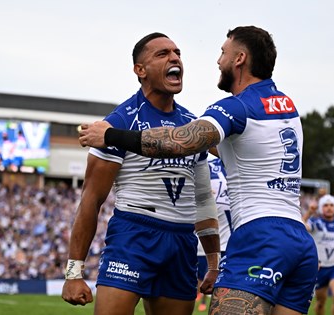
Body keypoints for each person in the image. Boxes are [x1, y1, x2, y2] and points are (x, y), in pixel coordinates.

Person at [78, 25, 319, 315]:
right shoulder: (286, 106)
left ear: (239, 59)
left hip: (260, 236)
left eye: (223, 53)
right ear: (139, 69)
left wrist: (110, 134)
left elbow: (181, 142)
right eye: (165, 53)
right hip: (299, 241)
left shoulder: (236, 107)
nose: (218, 61)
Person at [61, 32, 221, 315]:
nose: (174, 58)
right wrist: (74, 272)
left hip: (182, 243)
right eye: (162, 54)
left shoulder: (191, 127)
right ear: (140, 70)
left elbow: (202, 200)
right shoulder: (120, 121)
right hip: (134, 236)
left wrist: (212, 262)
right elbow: (91, 198)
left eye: (177, 53)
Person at [302, 194, 334, 315]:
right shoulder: (315, 222)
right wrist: (309, 211)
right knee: (321, 302)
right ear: (321, 208)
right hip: (320, 267)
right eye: (325, 205)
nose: (329, 208)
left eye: (331, 205)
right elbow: (301, 226)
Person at [195, 157, 233, 312]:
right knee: (203, 278)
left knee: (219, 285)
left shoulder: (230, 159)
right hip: (203, 240)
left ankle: (205, 301)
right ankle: (202, 299)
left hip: (227, 241)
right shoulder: (199, 157)